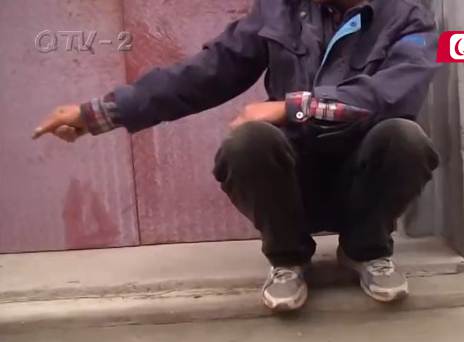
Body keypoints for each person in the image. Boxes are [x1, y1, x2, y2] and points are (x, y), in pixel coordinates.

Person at [33, 0, 440, 312]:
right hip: (293, 177)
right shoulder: (280, 10)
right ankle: (287, 258)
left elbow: (392, 95)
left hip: (363, 177)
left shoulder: (409, 16)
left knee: (404, 137)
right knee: (249, 141)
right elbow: (206, 73)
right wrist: (100, 113)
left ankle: (366, 250)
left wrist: (294, 107)